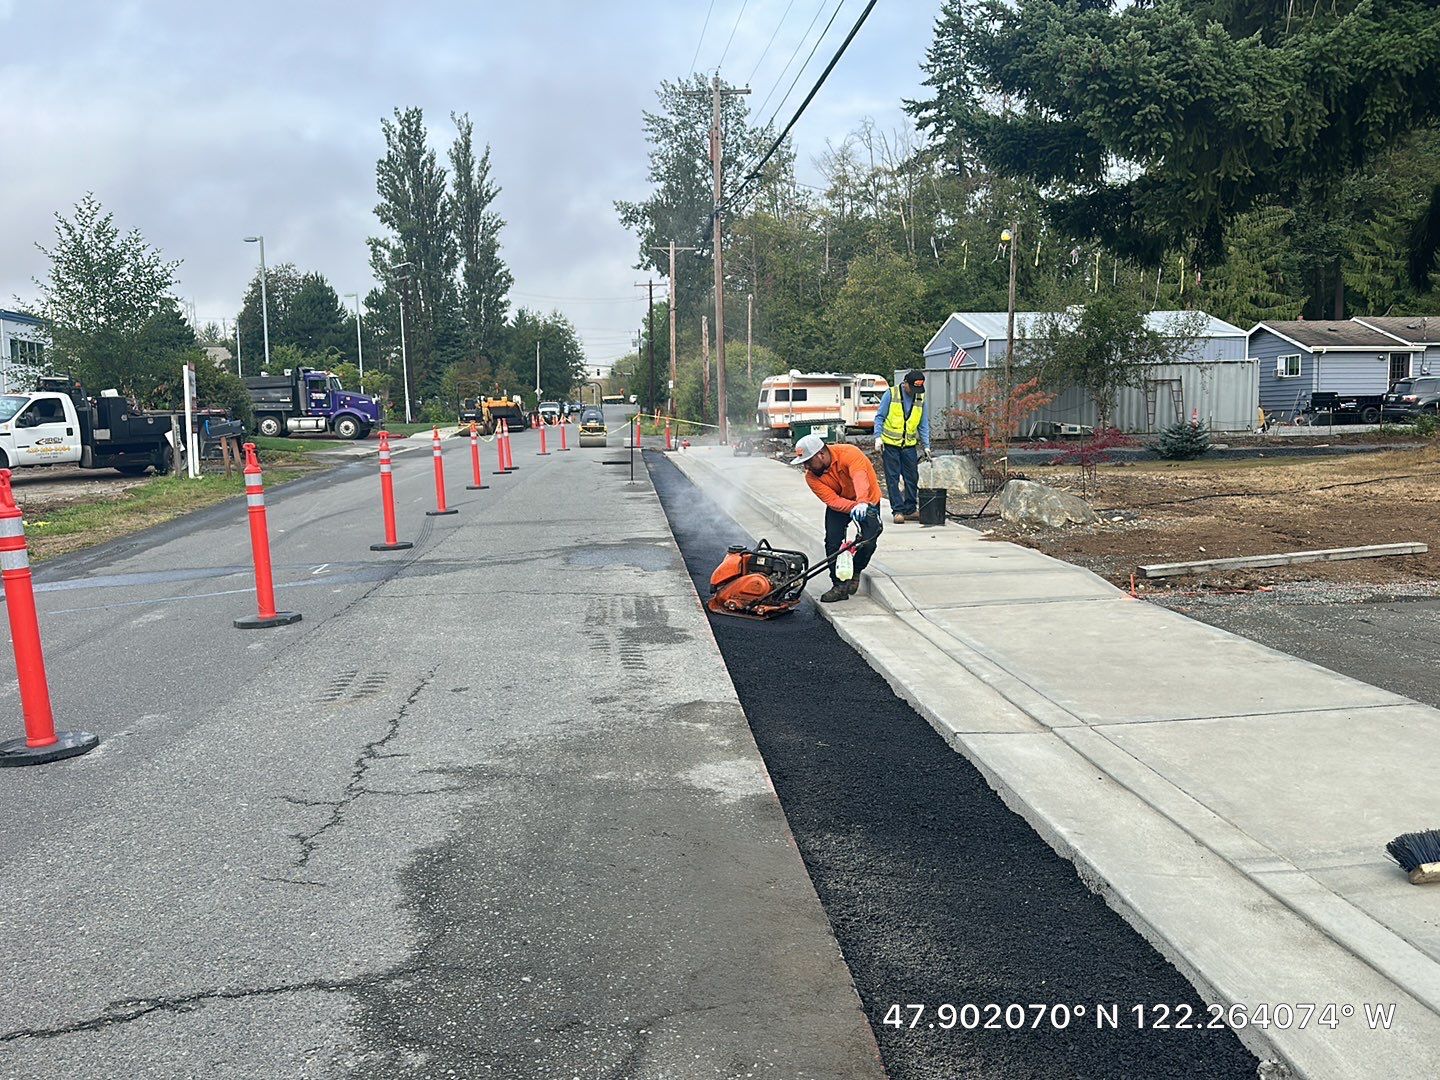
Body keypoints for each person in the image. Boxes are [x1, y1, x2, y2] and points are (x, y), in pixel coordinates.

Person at [792, 433, 883, 603]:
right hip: (841, 504)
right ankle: (839, 585)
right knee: (833, 541)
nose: (806, 466)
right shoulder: (811, 477)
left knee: (869, 541)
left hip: (867, 501)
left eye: (808, 461)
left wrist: (862, 502)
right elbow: (832, 500)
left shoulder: (849, 454)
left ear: (821, 454)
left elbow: (860, 478)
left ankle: (855, 570)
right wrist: (853, 506)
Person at [873, 369, 931, 523]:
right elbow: (879, 417)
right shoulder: (891, 394)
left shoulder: (920, 397)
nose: (914, 392)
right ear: (905, 384)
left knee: (912, 477)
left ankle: (910, 509)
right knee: (893, 478)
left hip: (909, 446)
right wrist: (878, 437)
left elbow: (923, 423)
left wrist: (926, 446)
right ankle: (898, 510)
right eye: (913, 388)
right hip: (890, 445)